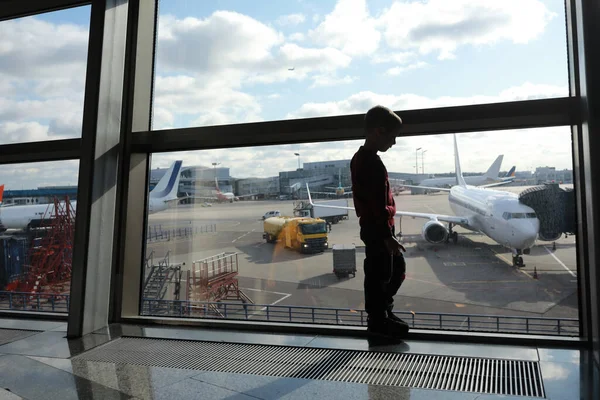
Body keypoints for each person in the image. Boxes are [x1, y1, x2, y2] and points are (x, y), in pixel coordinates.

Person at [350, 105, 409, 338]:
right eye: (392, 137)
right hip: (378, 228)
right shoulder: (370, 163)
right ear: (379, 132)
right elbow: (377, 204)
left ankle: (382, 313)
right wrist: (387, 236)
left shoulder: (362, 158)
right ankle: (378, 320)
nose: (393, 143)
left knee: (389, 271)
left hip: (376, 226)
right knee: (381, 274)